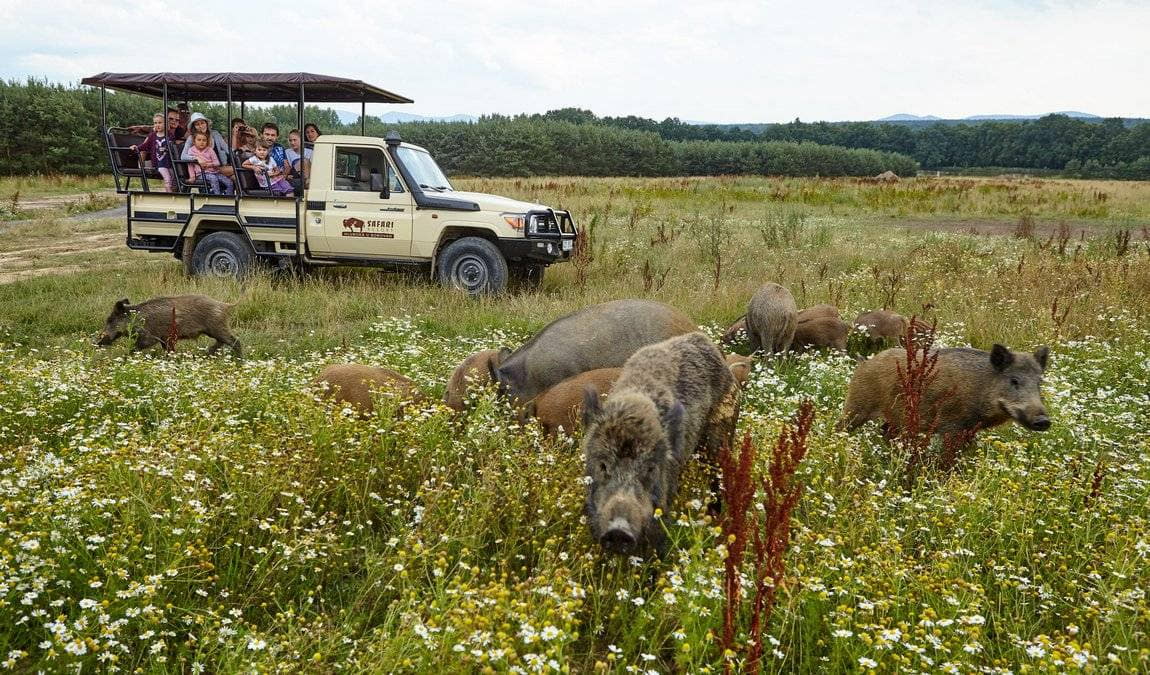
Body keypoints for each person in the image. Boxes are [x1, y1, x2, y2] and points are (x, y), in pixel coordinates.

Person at [130, 113, 175, 192]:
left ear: (166, 124)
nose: (157, 125)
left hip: (169, 163)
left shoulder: (170, 135)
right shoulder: (153, 136)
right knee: (167, 179)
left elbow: (173, 147)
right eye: (155, 123)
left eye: (160, 123)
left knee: (174, 176)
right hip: (159, 163)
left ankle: (175, 192)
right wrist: (136, 148)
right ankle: (169, 194)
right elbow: (145, 146)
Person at [181, 113, 233, 177]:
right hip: (207, 170)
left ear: (206, 123)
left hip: (221, 166)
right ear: (194, 127)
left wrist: (239, 153)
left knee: (237, 179)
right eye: (197, 124)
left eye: (202, 123)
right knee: (237, 170)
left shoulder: (215, 134)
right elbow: (183, 156)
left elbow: (227, 149)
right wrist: (196, 158)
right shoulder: (191, 138)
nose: (200, 126)